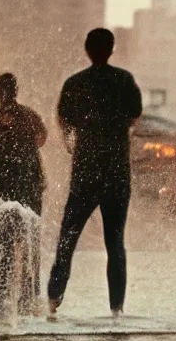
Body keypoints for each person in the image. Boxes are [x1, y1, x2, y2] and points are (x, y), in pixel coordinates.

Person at [47, 28, 142, 316]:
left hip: (86, 171)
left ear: (87, 50)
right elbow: (135, 115)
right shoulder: (123, 80)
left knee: (68, 238)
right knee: (115, 243)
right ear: (111, 49)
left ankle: (53, 302)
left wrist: (73, 143)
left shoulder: (75, 83)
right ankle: (117, 309)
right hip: (116, 172)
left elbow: (64, 120)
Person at [0, 73, 47, 317]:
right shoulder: (30, 117)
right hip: (29, 184)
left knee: (4, 242)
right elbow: (41, 140)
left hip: (4, 185)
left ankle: (1, 299)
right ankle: (28, 299)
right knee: (27, 241)